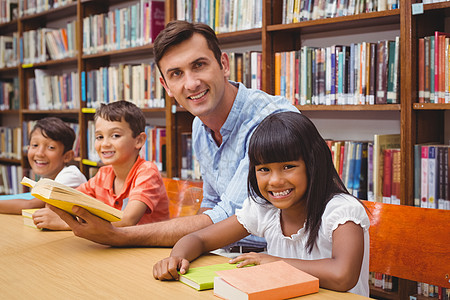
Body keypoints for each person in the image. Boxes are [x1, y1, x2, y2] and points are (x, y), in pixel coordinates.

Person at [50, 20, 298, 249]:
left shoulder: (271, 120)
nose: (191, 84)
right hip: (228, 256)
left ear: (223, 65)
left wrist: (120, 235)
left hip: (282, 259)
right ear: (166, 86)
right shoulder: (200, 125)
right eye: (176, 74)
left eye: (199, 65)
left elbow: (231, 215)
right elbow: (211, 202)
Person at [153, 112, 370, 296]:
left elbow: (343, 276)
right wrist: (176, 258)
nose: (275, 180)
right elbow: (198, 238)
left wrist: (274, 262)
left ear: (312, 164)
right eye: (264, 169)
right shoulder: (263, 209)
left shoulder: (341, 210)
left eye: (288, 166)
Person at [52, 100, 170, 230]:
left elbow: (127, 220)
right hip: (114, 245)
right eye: (99, 137)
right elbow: (68, 199)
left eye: (115, 135)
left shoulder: (147, 172)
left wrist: (65, 223)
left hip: (147, 248)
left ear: (139, 140)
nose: (105, 144)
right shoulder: (104, 173)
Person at [0, 117, 87, 229]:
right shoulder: (47, 178)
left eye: (50, 147)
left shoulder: (70, 175)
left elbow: (31, 205)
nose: (40, 153)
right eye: (35, 145)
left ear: (67, 156)